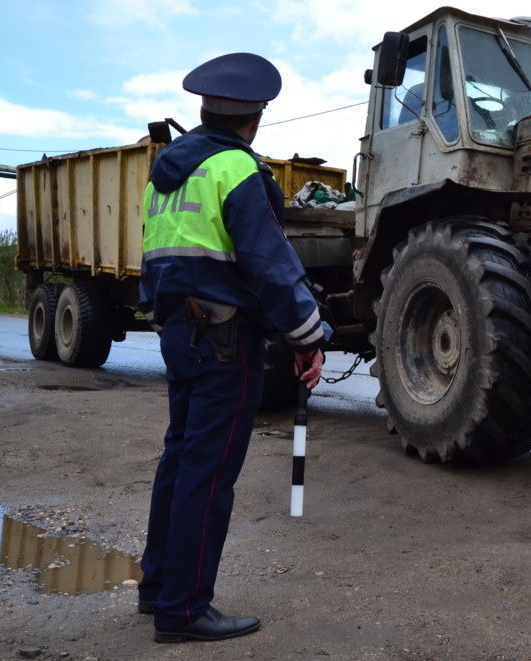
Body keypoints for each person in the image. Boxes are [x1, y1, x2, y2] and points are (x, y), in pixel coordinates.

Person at [136, 52, 333, 643]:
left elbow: (154, 262)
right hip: (225, 343)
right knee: (208, 473)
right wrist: (308, 338)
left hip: (179, 333)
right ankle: (185, 610)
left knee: (179, 462)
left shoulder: (165, 177)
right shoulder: (237, 172)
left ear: (205, 109)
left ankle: (157, 590)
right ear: (257, 116)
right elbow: (271, 268)